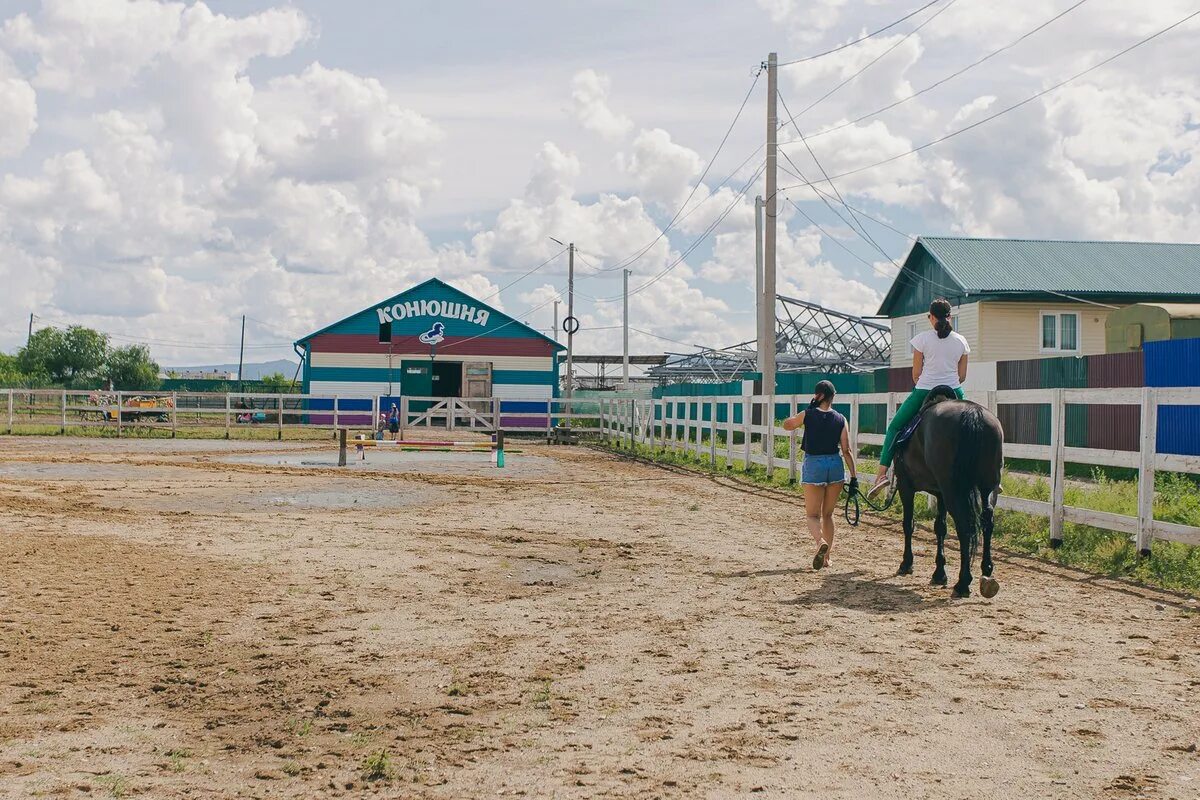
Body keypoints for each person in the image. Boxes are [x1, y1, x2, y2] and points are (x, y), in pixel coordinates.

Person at [871, 298, 970, 495]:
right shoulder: (961, 341)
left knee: (895, 427)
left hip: (925, 389)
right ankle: (988, 474)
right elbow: (962, 376)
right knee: (972, 425)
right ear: (950, 316)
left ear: (930, 317)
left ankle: (881, 475)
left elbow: (916, 374)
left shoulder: (921, 339)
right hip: (954, 390)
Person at [781, 380, 859, 570]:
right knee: (828, 514)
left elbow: (787, 425)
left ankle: (819, 543)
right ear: (832, 397)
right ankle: (827, 558)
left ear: (819, 396)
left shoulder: (808, 414)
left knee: (812, 515)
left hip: (814, 464)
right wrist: (854, 477)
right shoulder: (841, 419)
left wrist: (806, 410)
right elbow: (847, 450)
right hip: (835, 465)